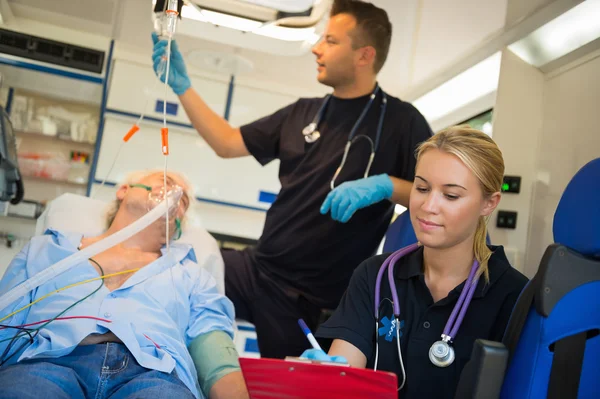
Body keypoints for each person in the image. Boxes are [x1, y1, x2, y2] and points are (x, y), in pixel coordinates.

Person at [151, 0, 432, 358]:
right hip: (257, 269)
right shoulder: (303, 111)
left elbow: (432, 193)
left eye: (330, 40)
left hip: (309, 303)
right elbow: (225, 143)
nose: (316, 48)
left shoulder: (403, 122)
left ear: (364, 56)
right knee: (170, 267)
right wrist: (182, 87)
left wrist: (386, 185)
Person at [303, 126, 529, 399]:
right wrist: (327, 377)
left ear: (489, 203)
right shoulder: (375, 277)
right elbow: (344, 370)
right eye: (422, 188)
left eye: (451, 195)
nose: (428, 205)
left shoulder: (515, 297)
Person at [0, 171, 248, 399]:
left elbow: (215, 352)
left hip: (152, 375)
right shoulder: (46, 249)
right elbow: (5, 323)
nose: (175, 195)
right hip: (48, 362)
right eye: (166, 181)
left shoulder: (191, 274)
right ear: (124, 190)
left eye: (184, 202)